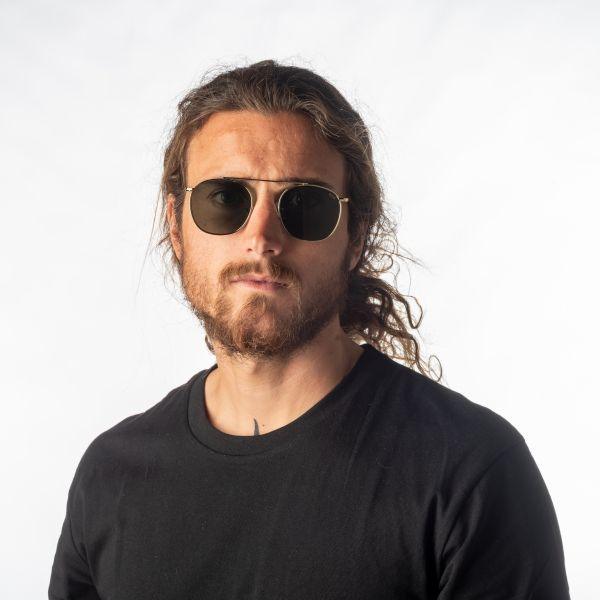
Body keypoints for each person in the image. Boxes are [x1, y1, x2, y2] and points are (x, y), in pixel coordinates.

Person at [48, 60, 571, 599]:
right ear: (175, 226)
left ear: (356, 237)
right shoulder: (110, 477)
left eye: (304, 204)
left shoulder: (470, 472)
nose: (261, 237)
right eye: (225, 198)